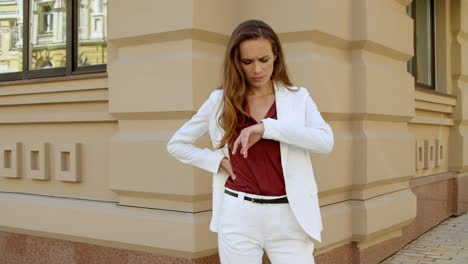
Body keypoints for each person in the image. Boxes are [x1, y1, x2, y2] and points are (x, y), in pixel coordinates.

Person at [167, 19, 334, 264]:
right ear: (236, 62)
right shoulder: (220, 101)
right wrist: (218, 161)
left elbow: (325, 141)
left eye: (264, 60)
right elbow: (176, 144)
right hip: (238, 214)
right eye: (247, 62)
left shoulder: (298, 98)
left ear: (276, 55)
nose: (257, 70)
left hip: (289, 215)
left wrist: (268, 128)